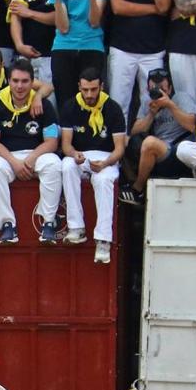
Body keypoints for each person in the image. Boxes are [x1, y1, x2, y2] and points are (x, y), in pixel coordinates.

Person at [0, 59, 63, 247]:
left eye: (25, 81)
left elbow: (52, 142)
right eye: (15, 81)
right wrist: (15, 163)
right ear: (9, 81)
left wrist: (30, 159)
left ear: (32, 82)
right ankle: (7, 225)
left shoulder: (44, 105)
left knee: (54, 163)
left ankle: (49, 222)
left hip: (36, 155)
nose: (19, 86)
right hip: (7, 156)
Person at [59, 68, 126, 262]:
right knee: (67, 165)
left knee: (103, 180)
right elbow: (66, 144)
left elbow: (120, 148)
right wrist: (74, 154)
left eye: (94, 89)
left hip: (107, 156)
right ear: (79, 86)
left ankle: (103, 241)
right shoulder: (70, 106)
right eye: (85, 89)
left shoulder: (112, 108)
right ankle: (76, 227)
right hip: (82, 156)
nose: (89, 94)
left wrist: (106, 162)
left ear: (101, 87)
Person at [107, 0, 171, 122]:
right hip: (123, 48)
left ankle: (145, 144)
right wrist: (153, 9)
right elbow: (118, 7)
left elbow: (164, 5)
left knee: (151, 101)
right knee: (119, 101)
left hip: (153, 49)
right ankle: (119, 147)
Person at [48, 0, 109, 106]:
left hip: (91, 44)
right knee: (65, 98)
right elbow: (63, 27)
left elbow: (95, 22)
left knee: (91, 97)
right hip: (63, 45)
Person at [122, 68, 194, 206]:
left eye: (162, 89)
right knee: (123, 141)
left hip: (178, 149)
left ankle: (138, 189)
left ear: (170, 88)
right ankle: (132, 182)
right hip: (158, 150)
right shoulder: (147, 100)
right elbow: (135, 131)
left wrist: (170, 105)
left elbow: (192, 125)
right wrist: (151, 113)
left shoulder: (182, 98)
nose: (158, 93)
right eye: (153, 90)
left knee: (149, 143)